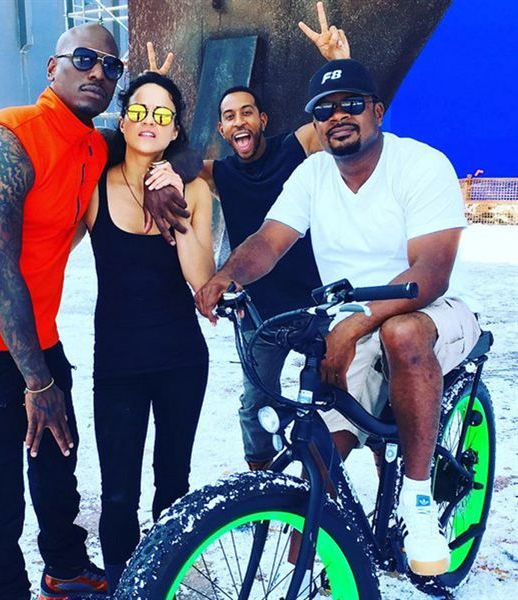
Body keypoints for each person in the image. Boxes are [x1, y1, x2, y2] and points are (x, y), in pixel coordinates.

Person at [0, 24, 186, 600]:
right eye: (84, 59)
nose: (98, 72)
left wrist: (161, 177)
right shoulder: (8, 140)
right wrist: (37, 382)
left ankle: (64, 570)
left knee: (56, 458)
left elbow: (149, 140)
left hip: (36, 334)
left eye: (111, 67)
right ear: (51, 67)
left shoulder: (92, 144)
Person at [195, 58, 481, 577]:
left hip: (427, 312)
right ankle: (317, 548)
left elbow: (431, 272)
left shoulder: (420, 164)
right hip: (350, 325)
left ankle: (418, 503)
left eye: (351, 104)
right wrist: (227, 276)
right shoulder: (312, 174)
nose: (337, 116)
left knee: (401, 332)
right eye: (323, 109)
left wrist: (354, 323)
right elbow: (270, 241)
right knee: (323, 447)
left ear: (377, 111)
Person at [76, 71, 214, 592]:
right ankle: (123, 585)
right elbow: (52, 244)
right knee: (117, 493)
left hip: (181, 358)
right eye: (138, 110)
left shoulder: (194, 189)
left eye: (161, 114)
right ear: (123, 120)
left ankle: (166, 583)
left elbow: (201, 279)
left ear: (175, 129)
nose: (148, 121)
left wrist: (176, 198)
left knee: (173, 485)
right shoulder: (96, 185)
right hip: (118, 362)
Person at [197, 1, 349, 470]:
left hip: (313, 304)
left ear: (262, 120)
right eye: (229, 116)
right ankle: (261, 480)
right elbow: (162, 158)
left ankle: (332, 480)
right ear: (222, 129)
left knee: (339, 392)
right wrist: (151, 96)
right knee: (254, 403)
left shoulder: (294, 146)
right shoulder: (218, 174)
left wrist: (339, 64)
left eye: (247, 112)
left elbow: (336, 121)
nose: (238, 121)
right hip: (259, 312)